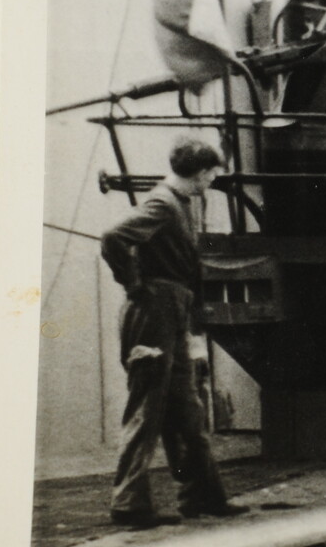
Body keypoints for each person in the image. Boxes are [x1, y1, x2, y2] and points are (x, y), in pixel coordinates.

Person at [98, 136, 244, 527]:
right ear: (199, 173)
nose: (213, 181)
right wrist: (131, 282)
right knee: (147, 410)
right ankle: (129, 505)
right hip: (154, 311)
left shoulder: (181, 204)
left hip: (172, 310)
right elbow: (114, 237)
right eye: (212, 174)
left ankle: (202, 497)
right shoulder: (163, 203)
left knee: (187, 410)